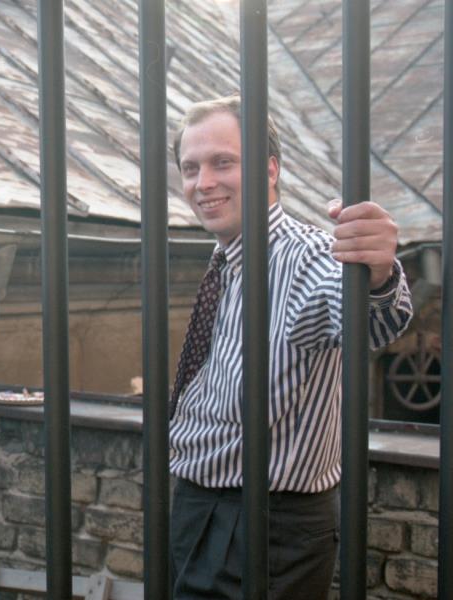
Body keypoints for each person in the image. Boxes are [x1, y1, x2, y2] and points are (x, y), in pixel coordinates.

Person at [167, 95, 412, 599]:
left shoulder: (309, 257)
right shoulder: (228, 259)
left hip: (265, 522)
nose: (203, 182)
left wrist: (379, 275)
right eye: (190, 168)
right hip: (201, 507)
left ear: (270, 169)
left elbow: (371, 322)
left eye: (222, 163)